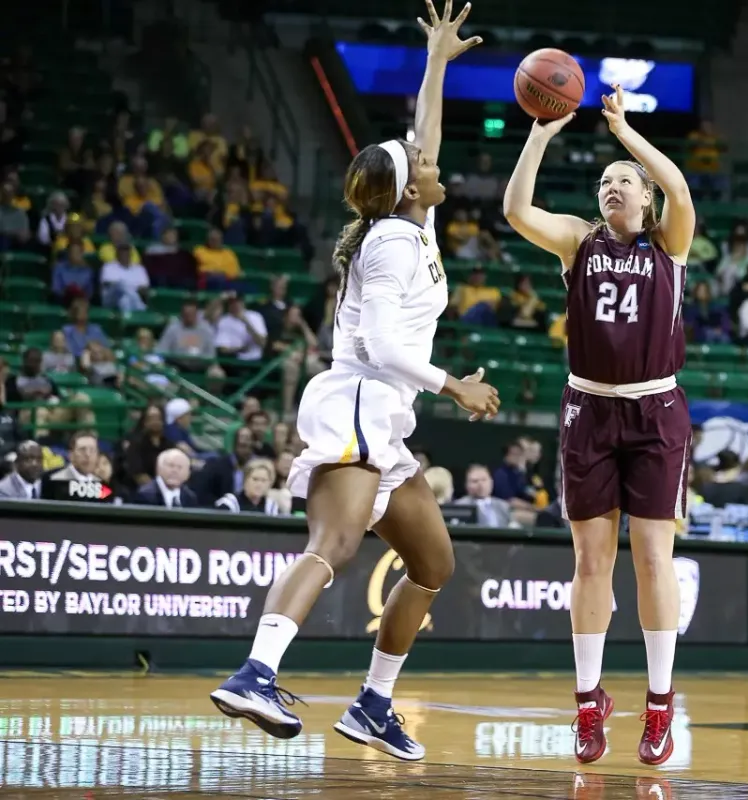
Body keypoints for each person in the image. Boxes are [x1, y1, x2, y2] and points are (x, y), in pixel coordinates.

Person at [209, 2, 495, 763]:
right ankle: (255, 673)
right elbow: (384, 343)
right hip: (364, 398)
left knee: (432, 563)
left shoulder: (409, 222)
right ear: (408, 191)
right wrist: (453, 387)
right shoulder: (397, 243)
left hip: (383, 417)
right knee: (332, 543)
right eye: (425, 171)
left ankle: (373, 704)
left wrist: (436, 62)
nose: (436, 167)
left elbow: (422, 139)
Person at [503, 81, 696, 765]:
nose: (613, 187)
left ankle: (659, 704)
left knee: (651, 558)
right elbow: (516, 207)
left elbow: (677, 186)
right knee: (590, 562)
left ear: (644, 198)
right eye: (605, 182)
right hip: (588, 408)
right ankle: (588, 706)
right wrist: (540, 132)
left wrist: (626, 137)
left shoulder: (668, 245)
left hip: (655, 410)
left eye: (625, 182)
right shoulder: (577, 243)